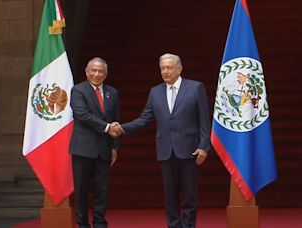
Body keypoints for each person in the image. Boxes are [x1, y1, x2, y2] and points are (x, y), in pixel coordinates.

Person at [121, 53, 211, 228]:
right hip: (165, 150)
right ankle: (174, 225)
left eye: (169, 67)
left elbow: (204, 120)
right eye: (162, 68)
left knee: (190, 195)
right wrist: (122, 128)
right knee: (170, 195)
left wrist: (204, 146)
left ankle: (188, 225)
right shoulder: (155, 92)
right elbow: (145, 118)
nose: (165, 71)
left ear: (179, 68)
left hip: (189, 149)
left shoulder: (195, 88)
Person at [69, 57, 123, 228]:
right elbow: (82, 115)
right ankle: (82, 224)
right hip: (83, 149)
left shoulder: (112, 93)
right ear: (87, 72)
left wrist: (115, 147)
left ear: (105, 74)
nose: (97, 74)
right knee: (82, 190)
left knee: (102, 191)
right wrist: (107, 127)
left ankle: (100, 223)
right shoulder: (78, 90)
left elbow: (116, 119)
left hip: (104, 149)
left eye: (101, 71)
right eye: (93, 70)